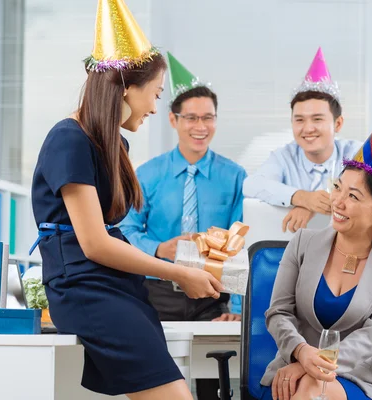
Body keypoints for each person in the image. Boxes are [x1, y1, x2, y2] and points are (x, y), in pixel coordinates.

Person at [29, 1, 222, 398]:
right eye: (154, 94)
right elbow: (96, 243)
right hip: (85, 288)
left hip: (119, 287)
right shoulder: (69, 138)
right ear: (126, 88)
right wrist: (179, 272)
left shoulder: (113, 142)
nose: (155, 106)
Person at [260, 77, 372, 400]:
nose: (338, 203)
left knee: (312, 386)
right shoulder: (303, 243)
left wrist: (310, 366)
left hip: (349, 378)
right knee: (307, 387)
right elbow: (277, 313)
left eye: (354, 197)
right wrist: (301, 354)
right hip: (287, 370)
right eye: (337, 189)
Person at [119, 51, 246, 400]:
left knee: (212, 379)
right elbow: (125, 231)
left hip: (211, 295)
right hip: (156, 292)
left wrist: (234, 309)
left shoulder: (235, 178)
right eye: (190, 117)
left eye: (208, 118)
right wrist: (160, 249)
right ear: (173, 121)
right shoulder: (146, 174)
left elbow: (239, 244)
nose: (200, 126)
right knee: (157, 375)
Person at [243, 47, 360, 233]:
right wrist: (302, 198)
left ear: (338, 124)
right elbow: (252, 185)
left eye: (317, 119)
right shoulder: (284, 156)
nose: (308, 128)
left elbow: (371, 193)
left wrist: (315, 205)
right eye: (299, 120)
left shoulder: (356, 153)